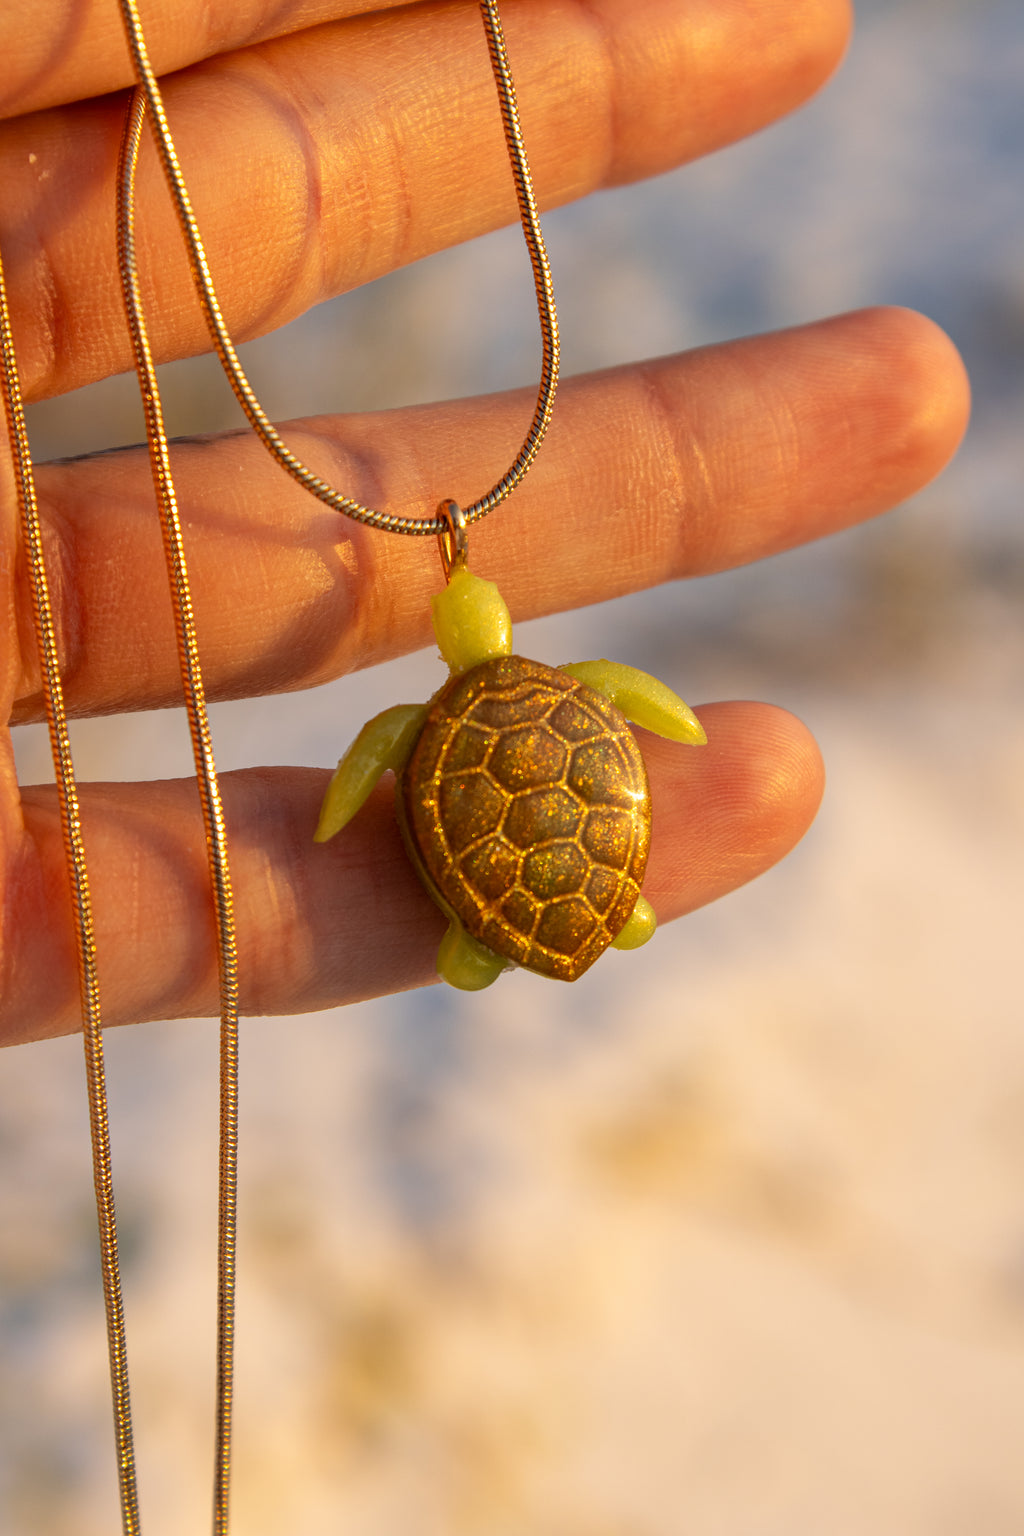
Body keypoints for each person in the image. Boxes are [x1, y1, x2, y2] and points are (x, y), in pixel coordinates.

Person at [0, 0, 969, 1044]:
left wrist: (340, 816)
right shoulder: (574, 693)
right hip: (583, 866)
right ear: (492, 621)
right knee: (587, 907)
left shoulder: (417, 732)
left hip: (491, 867)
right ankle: (605, 913)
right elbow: (636, 702)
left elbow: (374, 764)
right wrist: (670, 722)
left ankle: (489, 935)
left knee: (473, 945)